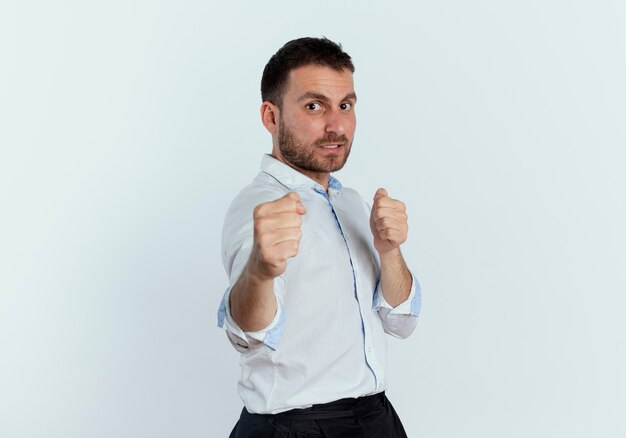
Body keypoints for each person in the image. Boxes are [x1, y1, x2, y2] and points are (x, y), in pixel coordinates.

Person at [217, 37, 422, 437]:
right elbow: (248, 336)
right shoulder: (258, 207)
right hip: (296, 427)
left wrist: (390, 251)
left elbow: (400, 323)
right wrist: (259, 271)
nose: (337, 125)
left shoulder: (351, 203)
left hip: (377, 419)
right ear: (271, 117)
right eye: (314, 106)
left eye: (345, 105)